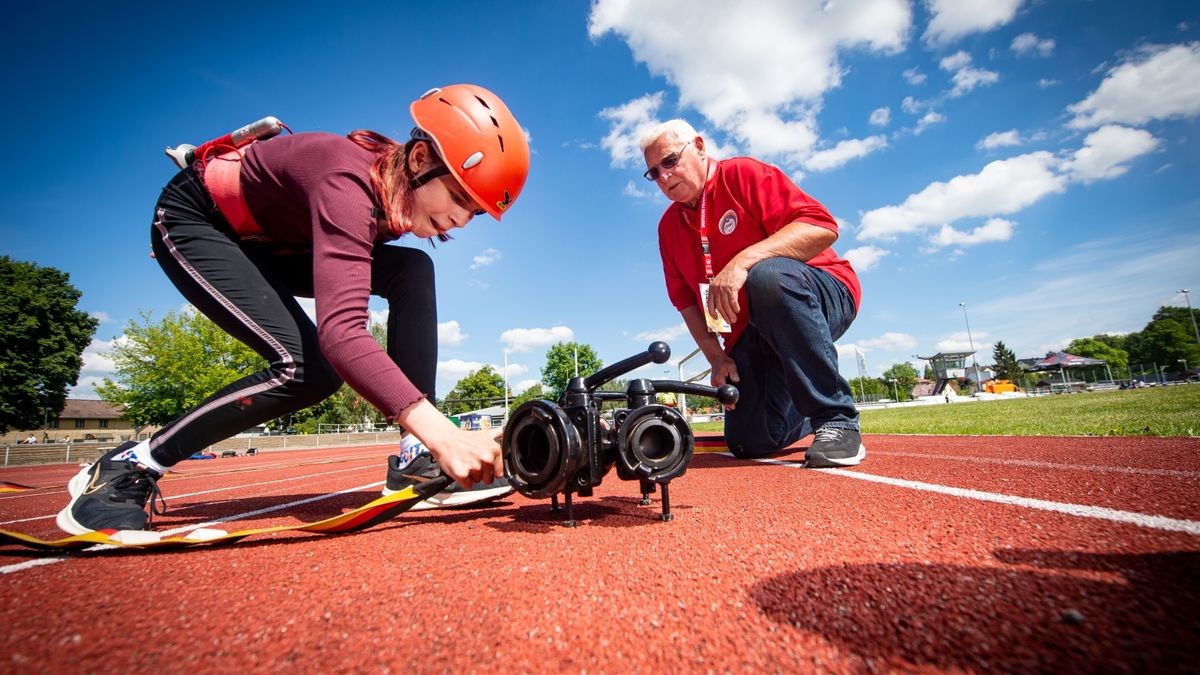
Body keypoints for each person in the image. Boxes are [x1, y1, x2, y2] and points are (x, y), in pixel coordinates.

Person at [57, 84, 531, 534]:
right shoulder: (347, 180)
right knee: (308, 368)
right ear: (421, 158)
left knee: (411, 270)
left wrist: (425, 432)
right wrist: (444, 433)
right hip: (197, 220)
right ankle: (129, 465)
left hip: (274, 244)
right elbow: (343, 334)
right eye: (459, 198)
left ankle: (413, 458)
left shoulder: (398, 198)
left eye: (475, 212)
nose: (462, 221)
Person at [639, 119, 865, 467]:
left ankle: (837, 420)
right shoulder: (668, 227)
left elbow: (821, 228)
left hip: (820, 291)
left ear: (699, 146)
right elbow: (685, 302)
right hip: (753, 329)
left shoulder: (741, 174)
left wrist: (743, 261)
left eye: (670, 161)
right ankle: (803, 410)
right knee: (748, 441)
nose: (664, 177)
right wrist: (716, 357)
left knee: (767, 277)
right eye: (654, 172)